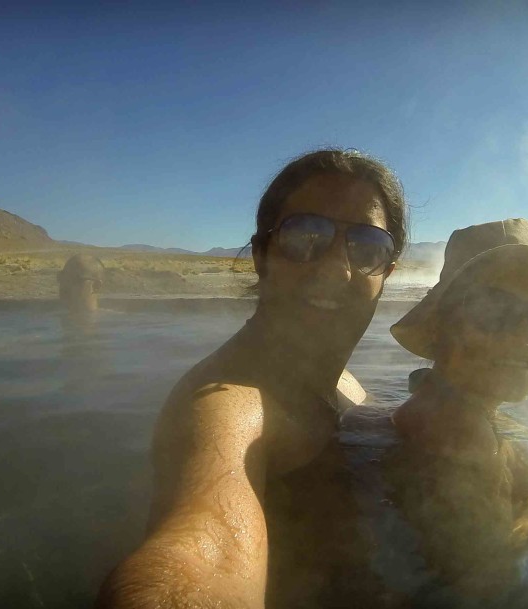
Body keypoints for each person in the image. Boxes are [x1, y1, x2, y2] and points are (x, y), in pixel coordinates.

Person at [97, 149, 407, 608]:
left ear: (386, 273)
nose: (336, 268)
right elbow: (199, 556)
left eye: (366, 247)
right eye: (306, 236)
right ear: (262, 255)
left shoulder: (344, 382)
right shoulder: (226, 405)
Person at [384, 218, 528, 605]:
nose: (523, 337)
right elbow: (490, 583)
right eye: (493, 310)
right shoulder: (459, 433)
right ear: (442, 325)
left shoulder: (437, 406)